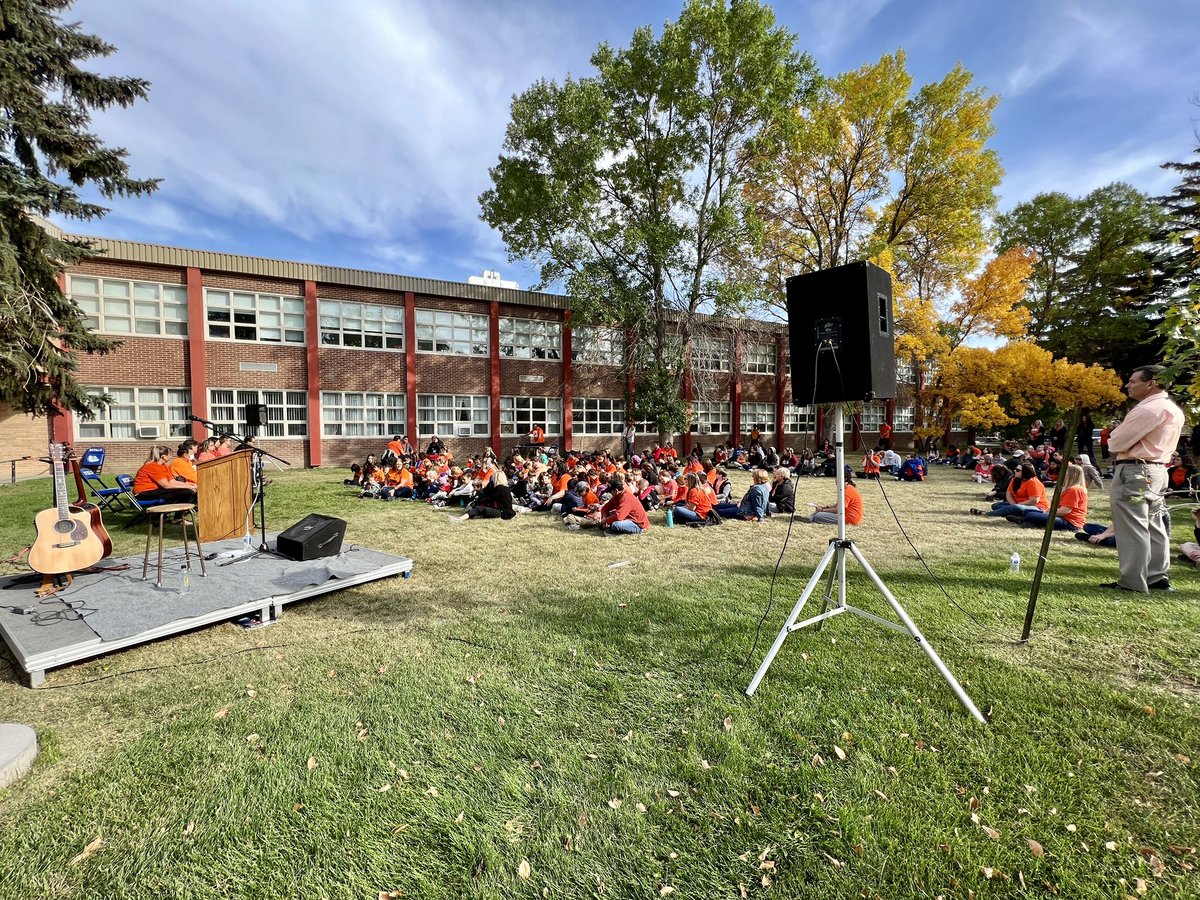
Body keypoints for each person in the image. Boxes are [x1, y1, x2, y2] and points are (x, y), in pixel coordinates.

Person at [1103, 365, 1185, 592]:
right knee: (1154, 523)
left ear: (1151, 383)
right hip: (1157, 470)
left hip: (1136, 471)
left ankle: (1132, 582)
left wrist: (1116, 436)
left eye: (1132, 381)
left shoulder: (1148, 410)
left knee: (1133, 524)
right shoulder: (1173, 409)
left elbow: (1115, 443)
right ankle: (1157, 576)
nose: (1128, 385)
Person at [132, 444, 198, 514]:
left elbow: (172, 481)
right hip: (144, 493)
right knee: (186, 492)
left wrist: (191, 484)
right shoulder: (152, 466)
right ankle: (177, 519)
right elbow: (166, 485)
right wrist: (189, 487)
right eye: (170, 455)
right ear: (163, 456)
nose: (171, 456)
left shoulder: (163, 466)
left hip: (155, 490)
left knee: (187, 491)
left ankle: (177, 516)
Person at [1021, 463, 1088, 530]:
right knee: (1027, 512)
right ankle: (1029, 522)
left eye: (1065, 472)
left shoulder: (1074, 490)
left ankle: (1026, 521)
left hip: (1070, 522)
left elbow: (1064, 511)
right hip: (1063, 518)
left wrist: (1046, 513)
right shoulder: (1071, 489)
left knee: (1031, 515)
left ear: (1071, 475)